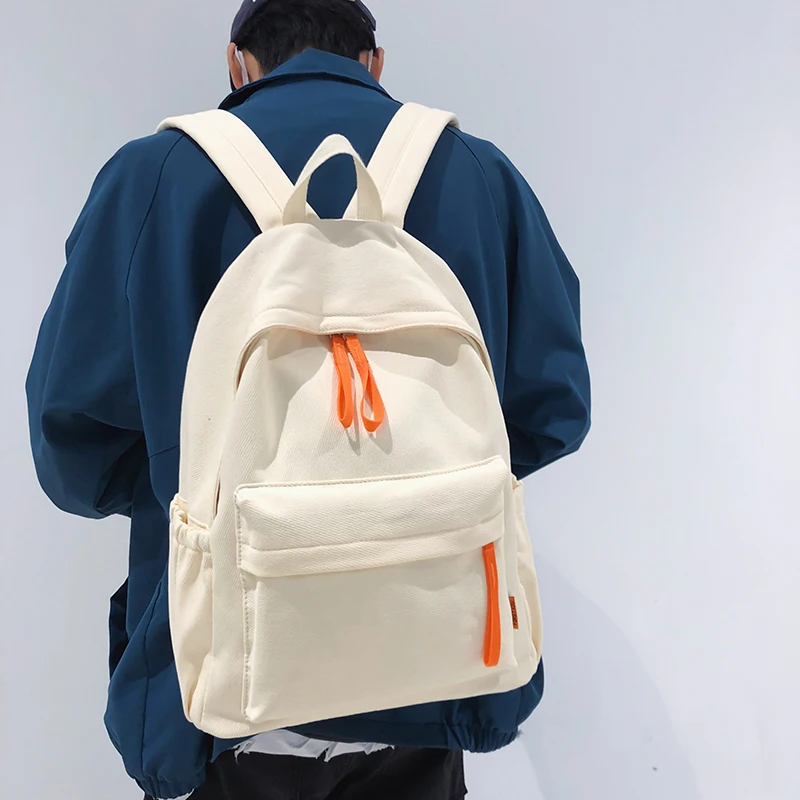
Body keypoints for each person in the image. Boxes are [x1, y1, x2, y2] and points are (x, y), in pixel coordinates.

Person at [25, 1, 591, 798]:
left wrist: (196, 489)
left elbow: (71, 453)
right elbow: (553, 410)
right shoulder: (477, 174)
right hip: (433, 669)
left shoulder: (151, 177)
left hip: (223, 693)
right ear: (375, 63)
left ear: (237, 63)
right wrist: (416, 492)